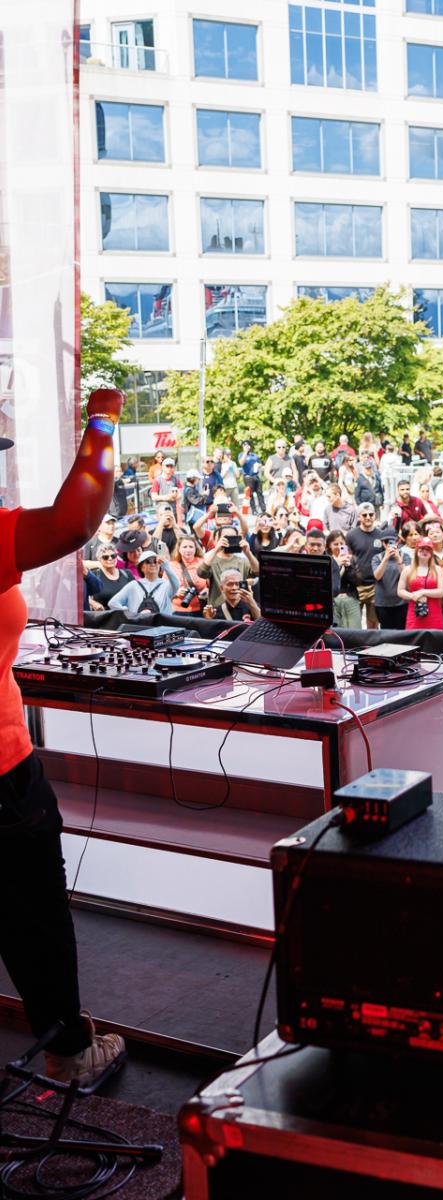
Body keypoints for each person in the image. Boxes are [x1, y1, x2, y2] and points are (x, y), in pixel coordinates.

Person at [1, 387, 128, 1084]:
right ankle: (71, 1055)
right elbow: (77, 518)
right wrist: (105, 420)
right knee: (34, 921)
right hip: (2, 775)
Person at [346, 504, 384, 629]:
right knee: (354, 625)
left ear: (375, 515)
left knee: (373, 624)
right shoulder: (351, 535)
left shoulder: (381, 535)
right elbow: (348, 558)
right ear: (359, 517)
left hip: (375, 585)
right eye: (364, 515)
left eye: (371, 514)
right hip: (356, 586)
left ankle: (372, 647)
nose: (368, 517)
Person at [107, 548, 175, 616]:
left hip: (163, 625)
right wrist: (128, 613)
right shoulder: (133, 585)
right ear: (142, 567)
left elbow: (176, 585)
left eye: (155, 561)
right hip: (140, 625)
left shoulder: (166, 584)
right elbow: (112, 603)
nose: (152, 564)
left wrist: (166, 567)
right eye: (148, 561)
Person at [399, 538, 443, 630]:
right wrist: (412, 596)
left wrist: (422, 592)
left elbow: (441, 592)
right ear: (416, 551)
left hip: (434, 613)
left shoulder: (437, 569)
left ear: (431, 553)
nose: (425, 551)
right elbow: (400, 591)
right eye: (422, 549)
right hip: (415, 613)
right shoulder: (407, 569)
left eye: (428, 549)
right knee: (414, 641)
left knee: (435, 642)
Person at [372, 530, 408, 630]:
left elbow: (407, 576)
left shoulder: (404, 556)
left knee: (402, 632)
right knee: (386, 633)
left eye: (392, 541)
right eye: (386, 542)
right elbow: (377, 576)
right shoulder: (377, 558)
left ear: (397, 542)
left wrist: (398, 559)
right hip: (382, 604)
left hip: (401, 603)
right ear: (383, 543)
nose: (389, 544)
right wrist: (386, 558)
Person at [326, 530, 361, 628]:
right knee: (338, 633)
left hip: (350, 598)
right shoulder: (327, 560)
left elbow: (358, 581)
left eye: (341, 543)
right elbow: (330, 582)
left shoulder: (352, 559)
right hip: (334, 602)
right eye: (335, 544)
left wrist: (348, 567)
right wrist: (337, 565)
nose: (339, 546)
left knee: (355, 632)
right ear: (329, 545)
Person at [84, 545, 132, 611]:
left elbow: (135, 593)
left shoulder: (127, 574)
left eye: (113, 556)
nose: (110, 559)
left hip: (125, 616)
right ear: (99, 559)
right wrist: (93, 603)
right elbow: (83, 594)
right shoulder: (94, 575)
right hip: (103, 617)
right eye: (105, 557)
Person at [171, 536, 209, 614]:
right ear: (179, 549)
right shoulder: (171, 565)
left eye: (191, 547)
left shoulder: (203, 563)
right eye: (184, 547)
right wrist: (176, 592)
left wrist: (207, 591)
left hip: (200, 608)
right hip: (178, 609)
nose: (188, 550)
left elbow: (212, 585)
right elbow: (165, 589)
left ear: (195, 549)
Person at [239, 441, 264, 514]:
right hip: (248, 477)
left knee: (260, 493)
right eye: (244, 446)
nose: (246, 447)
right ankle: (254, 510)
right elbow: (241, 463)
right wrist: (245, 453)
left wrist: (259, 465)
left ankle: (263, 509)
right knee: (250, 494)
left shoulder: (254, 455)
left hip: (255, 476)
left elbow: (260, 463)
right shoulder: (241, 454)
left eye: (247, 445)